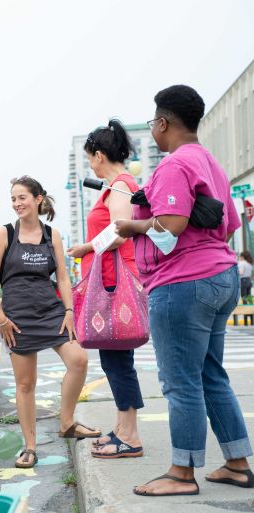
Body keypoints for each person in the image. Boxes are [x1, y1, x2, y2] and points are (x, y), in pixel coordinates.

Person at [115, 85, 253, 496]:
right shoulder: (211, 163)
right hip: (220, 276)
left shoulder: (175, 165)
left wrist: (132, 226)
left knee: (181, 382)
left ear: (162, 123)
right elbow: (228, 224)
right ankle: (236, 463)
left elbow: (170, 225)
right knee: (211, 375)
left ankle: (180, 473)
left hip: (182, 284)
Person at [0, 176, 100, 469]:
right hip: (17, 316)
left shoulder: (52, 234)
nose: (16, 203)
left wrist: (69, 311)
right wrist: (0, 317)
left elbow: (62, 276)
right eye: (13, 198)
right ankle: (30, 446)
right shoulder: (5, 233)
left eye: (22, 197)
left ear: (38, 199)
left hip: (51, 310)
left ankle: (66, 422)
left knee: (79, 360)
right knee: (26, 384)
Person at [67, 120, 144, 459]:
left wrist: (85, 248)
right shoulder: (118, 185)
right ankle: (122, 427)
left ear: (99, 156)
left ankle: (130, 434)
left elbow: (120, 232)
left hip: (115, 282)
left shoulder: (121, 185)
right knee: (115, 358)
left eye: (90, 159)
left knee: (117, 360)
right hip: (111, 279)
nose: (91, 166)